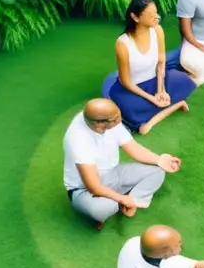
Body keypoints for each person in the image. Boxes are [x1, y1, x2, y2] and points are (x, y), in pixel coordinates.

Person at [63, 99, 182, 231]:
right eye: (116, 120)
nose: (119, 122)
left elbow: (133, 149)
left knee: (158, 171)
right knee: (102, 209)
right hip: (83, 189)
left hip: (113, 174)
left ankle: (129, 201)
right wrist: (122, 199)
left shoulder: (109, 117)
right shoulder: (78, 139)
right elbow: (94, 187)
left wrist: (160, 160)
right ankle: (118, 203)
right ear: (99, 125)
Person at [108, 0, 196, 134]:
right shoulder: (123, 43)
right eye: (151, 15)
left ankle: (156, 115)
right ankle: (175, 105)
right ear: (135, 17)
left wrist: (161, 90)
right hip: (132, 88)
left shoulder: (158, 30)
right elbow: (125, 81)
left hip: (156, 80)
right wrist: (152, 98)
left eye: (156, 12)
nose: (157, 17)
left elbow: (161, 61)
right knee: (129, 107)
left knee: (185, 81)